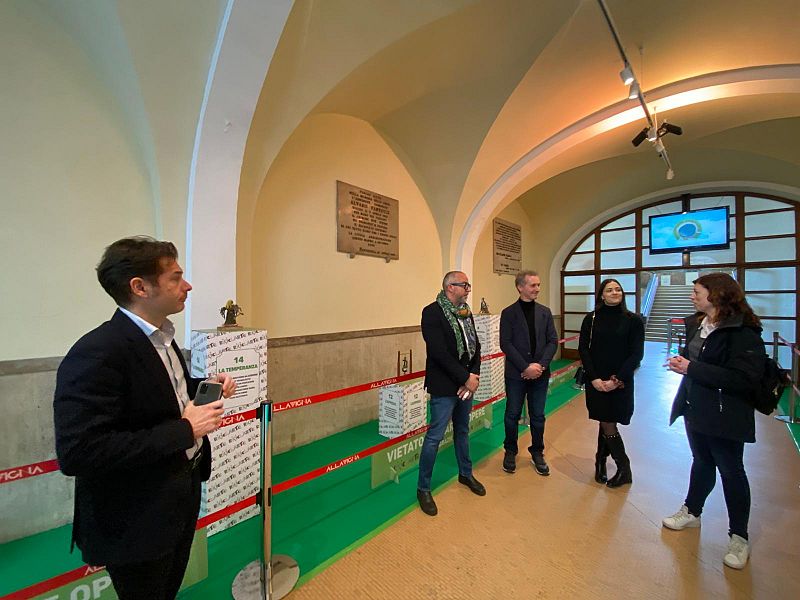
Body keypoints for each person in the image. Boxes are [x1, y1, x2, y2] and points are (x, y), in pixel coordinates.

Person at [53, 236, 237, 599]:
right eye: (175, 277)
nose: (187, 286)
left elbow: (162, 394)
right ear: (140, 287)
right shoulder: (96, 352)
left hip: (180, 491)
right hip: (135, 516)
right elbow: (80, 451)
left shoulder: (163, 338)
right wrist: (186, 430)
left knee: (168, 588)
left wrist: (205, 385)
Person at [663, 273, 765, 570]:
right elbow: (695, 358)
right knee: (702, 461)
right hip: (695, 406)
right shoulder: (698, 323)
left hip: (725, 412)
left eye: (697, 292)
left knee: (731, 471)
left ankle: (739, 536)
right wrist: (683, 363)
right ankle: (692, 511)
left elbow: (743, 378)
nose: (692, 296)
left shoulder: (742, 331)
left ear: (717, 294)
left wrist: (691, 368)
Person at [416, 271, 485, 516]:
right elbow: (439, 353)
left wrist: (473, 376)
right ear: (449, 287)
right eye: (464, 285)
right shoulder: (432, 312)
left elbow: (476, 347)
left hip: (466, 384)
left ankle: (466, 474)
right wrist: (465, 378)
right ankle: (423, 488)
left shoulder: (466, 312)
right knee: (434, 437)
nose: (468, 289)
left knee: (463, 430)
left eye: (468, 285)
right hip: (445, 386)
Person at [578, 278, 644, 488]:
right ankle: (619, 466)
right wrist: (594, 378)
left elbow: (636, 354)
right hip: (596, 379)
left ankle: (606, 461)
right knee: (605, 420)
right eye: (609, 290)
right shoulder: (591, 319)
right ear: (601, 295)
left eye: (618, 289)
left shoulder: (633, 320)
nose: (615, 293)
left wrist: (617, 380)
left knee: (609, 421)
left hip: (621, 381)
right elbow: (584, 349)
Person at [499, 270, 558, 475]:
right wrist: (525, 367)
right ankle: (510, 450)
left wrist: (540, 366)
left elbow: (552, 341)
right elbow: (506, 343)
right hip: (517, 374)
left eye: (538, 285)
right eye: (533, 285)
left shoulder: (545, 312)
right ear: (520, 287)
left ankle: (537, 452)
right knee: (512, 414)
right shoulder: (509, 313)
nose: (537, 289)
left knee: (538, 415)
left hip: (540, 373)